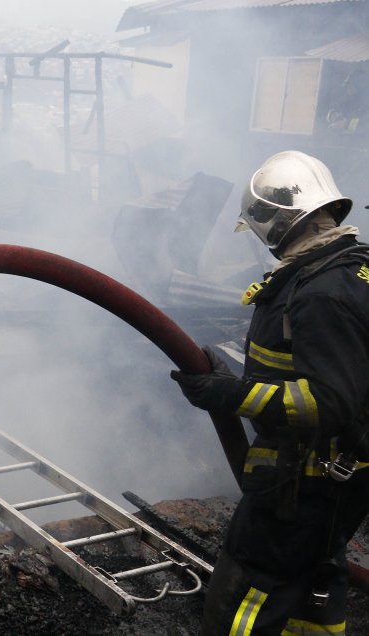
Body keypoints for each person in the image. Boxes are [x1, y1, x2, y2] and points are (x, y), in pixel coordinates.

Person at [171, 150, 369, 635]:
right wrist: (233, 374)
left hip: (303, 482)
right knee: (313, 589)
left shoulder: (322, 292)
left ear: (277, 222)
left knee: (248, 593)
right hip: (338, 479)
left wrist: (229, 395)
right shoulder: (350, 270)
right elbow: (309, 366)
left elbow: (328, 401)